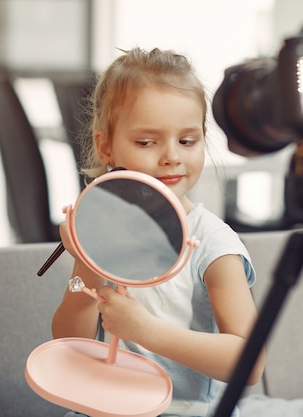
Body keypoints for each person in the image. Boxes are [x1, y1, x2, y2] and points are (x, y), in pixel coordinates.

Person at [51, 47, 266, 417]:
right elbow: (70, 341)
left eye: (187, 141)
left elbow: (251, 362)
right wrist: (86, 264)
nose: (171, 156)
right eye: (147, 142)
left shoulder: (214, 244)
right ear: (106, 146)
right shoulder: (103, 229)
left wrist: (146, 330)